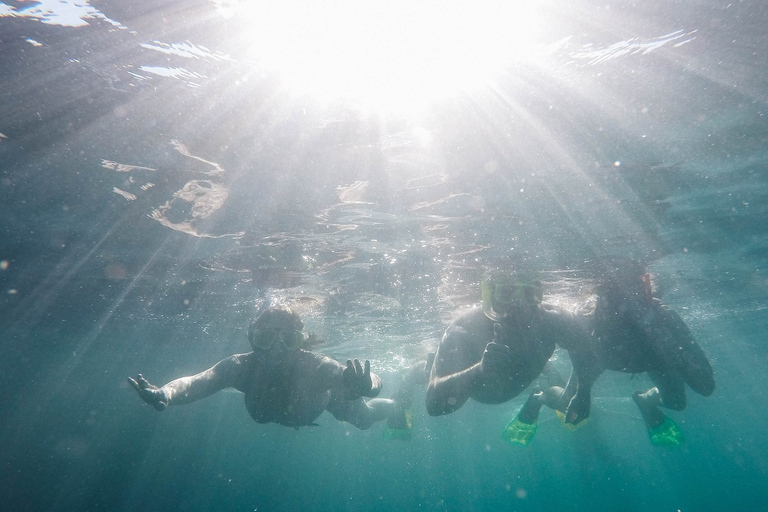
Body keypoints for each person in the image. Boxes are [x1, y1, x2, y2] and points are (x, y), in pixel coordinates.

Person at [516, 271, 716, 446]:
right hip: (600, 357)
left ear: (647, 294)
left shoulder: (664, 319)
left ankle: (645, 401)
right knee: (568, 401)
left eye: (634, 298)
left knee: (677, 403)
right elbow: (576, 347)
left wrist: (677, 356)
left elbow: (706, 386)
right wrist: (583, 392)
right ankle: (539, 398)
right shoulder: (588, 317)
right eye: (615, 299)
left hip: (651, 358)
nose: (626, 309)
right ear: (601, 299)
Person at [129, 306, 408, 432]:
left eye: (288, 340)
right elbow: (198, 382)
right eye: (265, 339)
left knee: (365, 419)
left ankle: (398, 406)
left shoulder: (316, 365)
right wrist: (166, 393)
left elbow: (370, 379)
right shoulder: (240, 367)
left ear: (300, 342)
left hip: (332, 400)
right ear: (252, 339)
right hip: (303, 411)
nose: (276, 350)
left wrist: (366, 385)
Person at [425, 270, 591, 444]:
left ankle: (540, 397)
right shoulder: (464, 330)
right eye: (506, 292)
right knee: (423, 371)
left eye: (529, 292)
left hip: (524, 374)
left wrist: (583, 392)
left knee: (567, 401)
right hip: (483, 389)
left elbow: (585, 350)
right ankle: (409, 383)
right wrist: (479, 370)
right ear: (490, 295)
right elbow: (433, 405)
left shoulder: (554, 319)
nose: (519, 304)